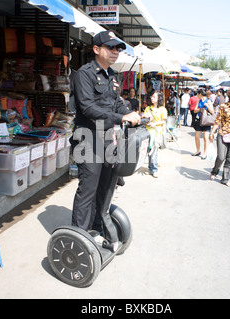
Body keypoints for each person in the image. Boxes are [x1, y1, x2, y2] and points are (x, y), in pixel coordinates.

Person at [71, 30, 145, 251]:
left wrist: (132, 113)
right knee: (88, 189)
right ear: (96, 49)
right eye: (111, 48)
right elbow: (87, 107)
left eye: (118, 49)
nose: (115, 52)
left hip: (107, 140)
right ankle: (80, 237)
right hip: (87, 140)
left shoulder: (112, 75)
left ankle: (96, 229)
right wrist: (120, 117)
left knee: (105, 187)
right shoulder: (84, 74)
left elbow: (117, 104)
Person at [144, 90, 167, 178]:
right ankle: (150, 168)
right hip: (148, 132)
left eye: (154, 97)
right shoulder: (148, 108)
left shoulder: (162, 109)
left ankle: (154, 169)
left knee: (155, 151)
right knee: (149, 150)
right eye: (152, 97)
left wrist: (155, 124)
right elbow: (145, 118)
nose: (152, 98)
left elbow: (163, 121)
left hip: (157, 133)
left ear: (158, 99)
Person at [193, 89, 215, 159]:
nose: (197, 96)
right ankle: (198, 150)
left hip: (206, 121)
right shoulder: (198, 101)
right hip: (199, 121)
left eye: (198, 94)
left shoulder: (208, 101)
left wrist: (207, 106)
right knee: (197, 137)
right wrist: (200, 109)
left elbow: (212, 111)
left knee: (206, 138)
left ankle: (205, 153)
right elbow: (195, 110)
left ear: (200, 94)